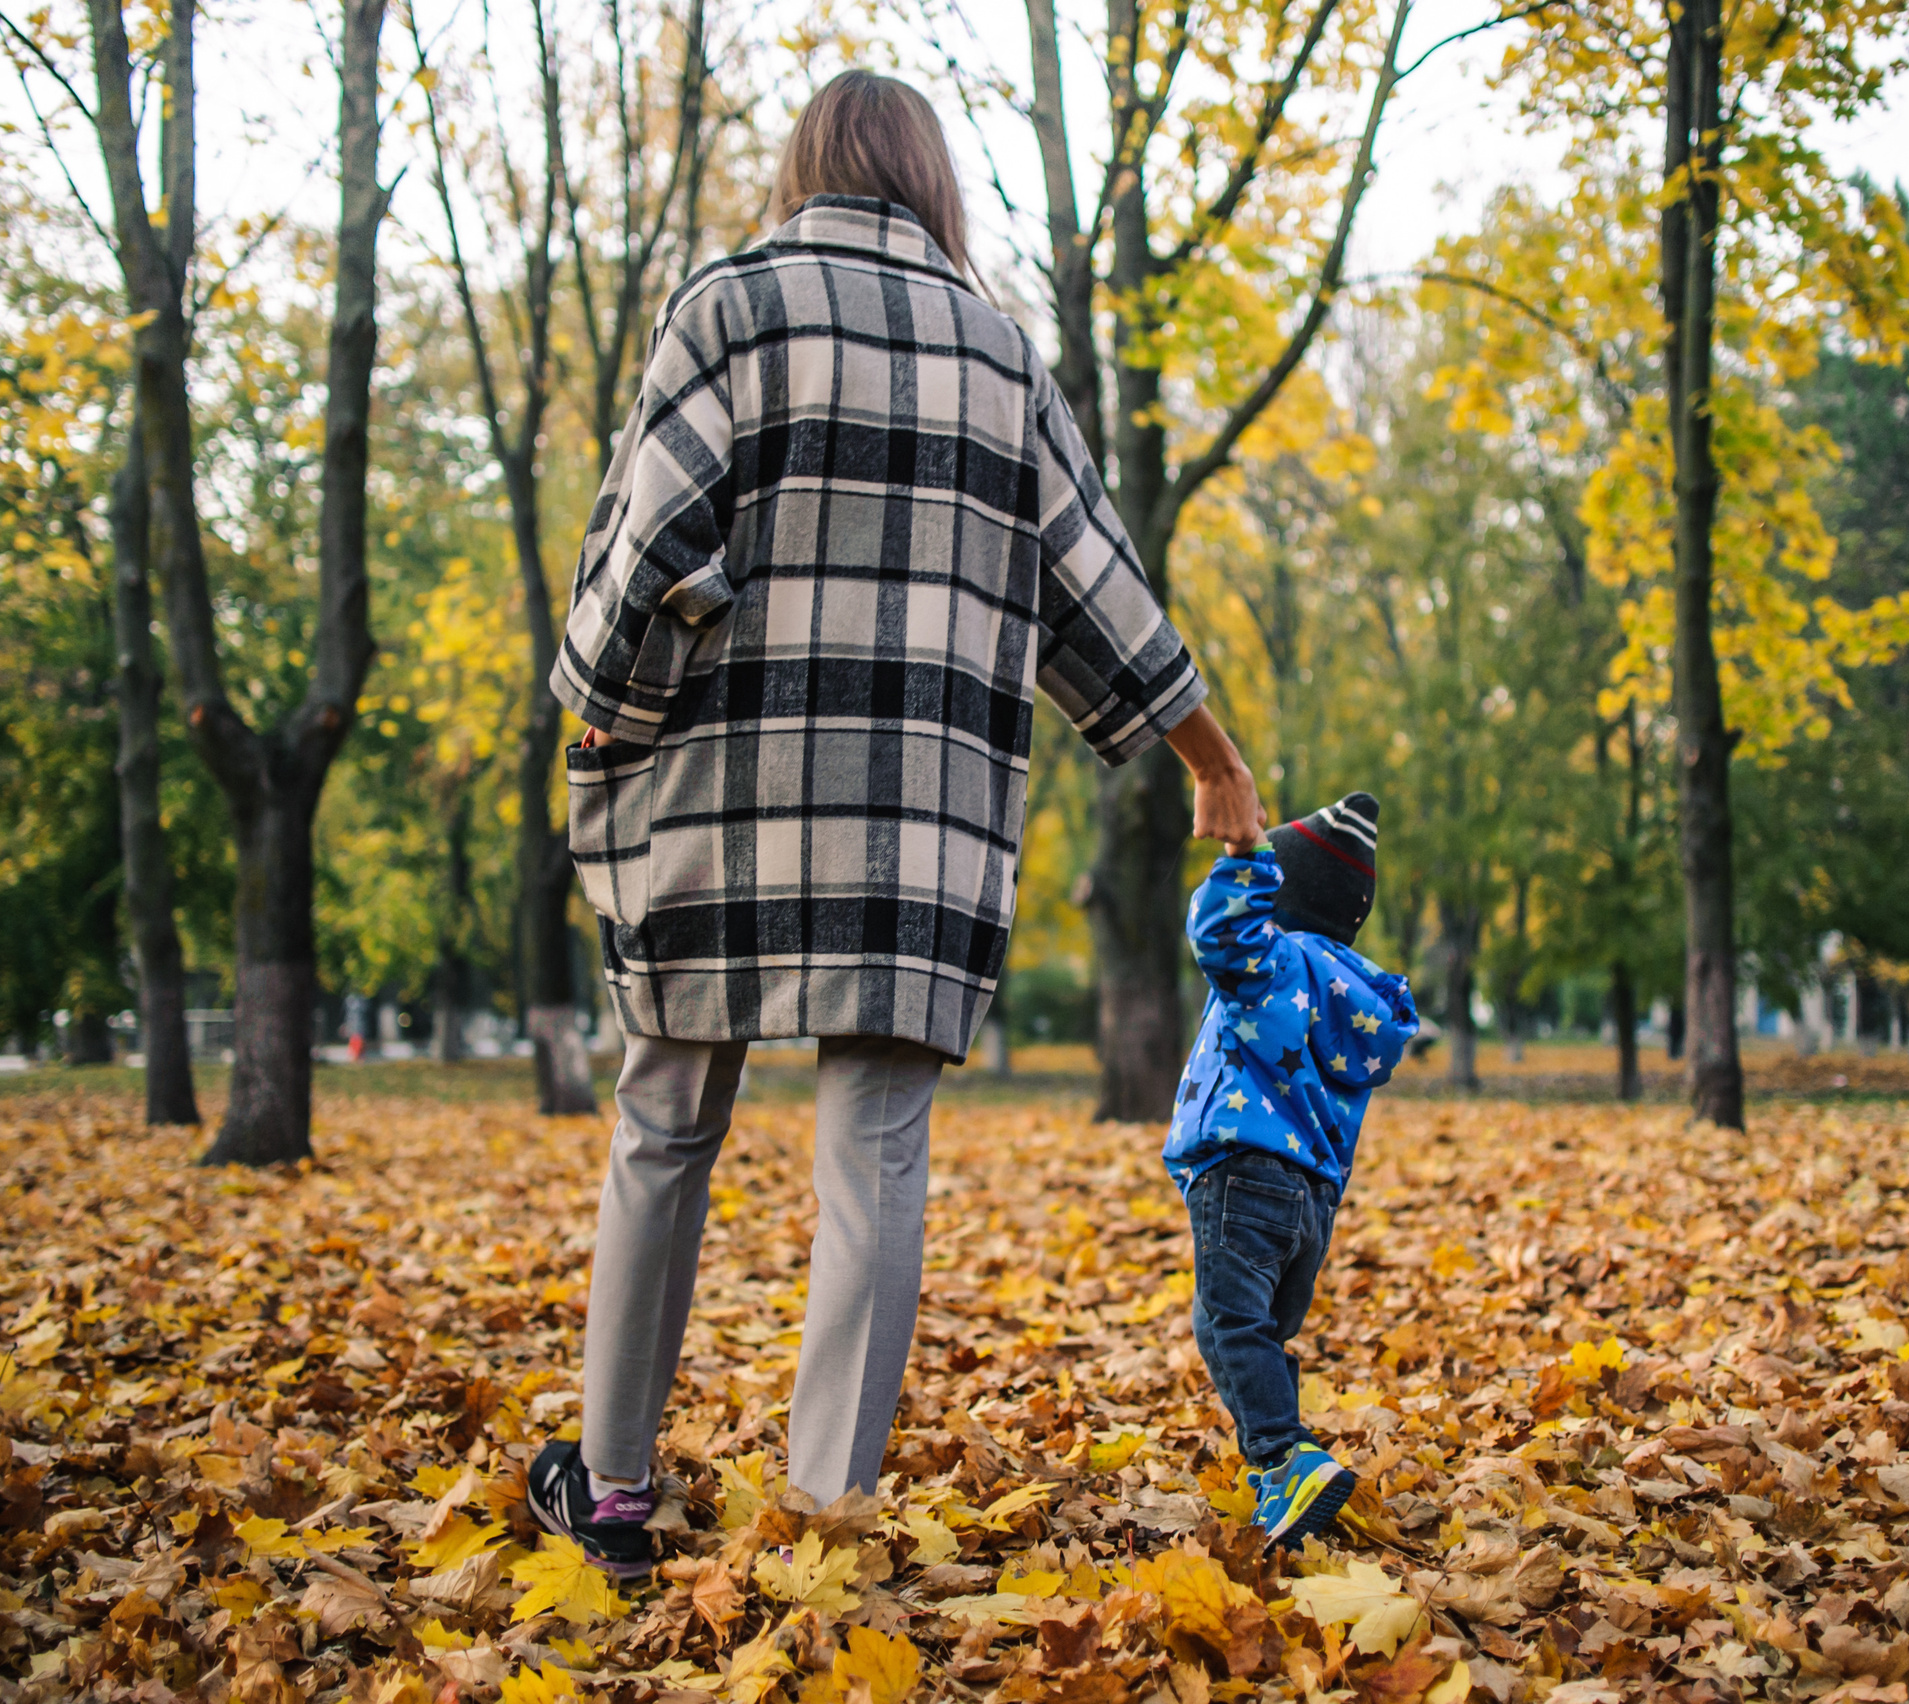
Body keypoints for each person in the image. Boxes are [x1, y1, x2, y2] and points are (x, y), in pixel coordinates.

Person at [528, 69, 1266, 1576]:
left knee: (664, 1121)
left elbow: (647, 541)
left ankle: (610, 1491)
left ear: (809, 167)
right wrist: (1216, 760)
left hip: (718, 807)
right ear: (932, 183)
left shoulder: (729, 305)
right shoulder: (1004, 356)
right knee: (876, 1153)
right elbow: (1100, 592)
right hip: (914, 830)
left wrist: (602, 706)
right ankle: (822, 1519)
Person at [1163, 793, 1418, 1550]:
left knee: (1226, 1326)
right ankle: (1288, 1479)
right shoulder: (1360, 1000)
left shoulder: (1276, 963)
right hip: (1312, 1203)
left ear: (1286, 896)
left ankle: (1282, 1457)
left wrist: (1247, 858)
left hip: (1242, 1176)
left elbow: (1217, 933)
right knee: (1262, 1334)